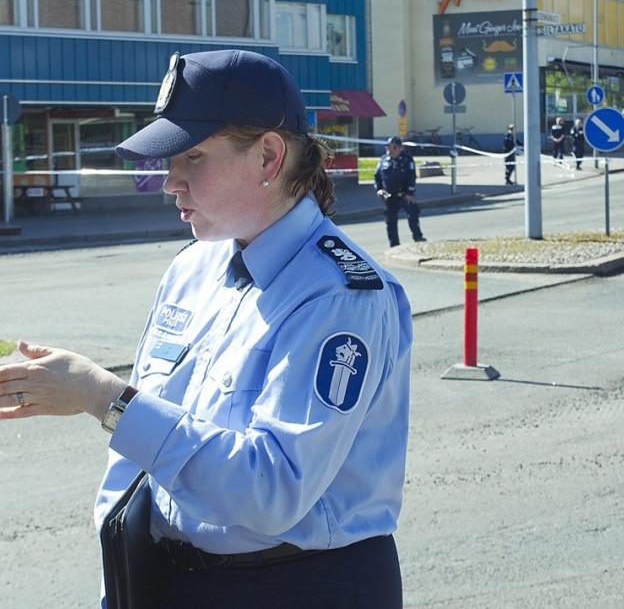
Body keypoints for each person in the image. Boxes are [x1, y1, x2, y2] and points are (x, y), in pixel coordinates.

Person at [0, 49, 412, 609]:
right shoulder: (192, 268)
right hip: (173, 579)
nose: (170, 181)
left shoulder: (338, 294)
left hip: (301, 585)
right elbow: (139, 459)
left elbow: (271, 491)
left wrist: (103, 397)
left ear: (269, 157)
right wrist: (117, 585)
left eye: (192, 157)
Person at [374, 136, 426, 247]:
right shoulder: (383, 160)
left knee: (413, 214)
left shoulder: (407, 160)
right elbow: (377, 176)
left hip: (404, 195)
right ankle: (394, 246)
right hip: (389, 197)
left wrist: (410, 193)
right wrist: (379, 189)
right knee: (390, 222)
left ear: (397, 148)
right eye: (387, 146)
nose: (387, 148)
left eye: (390, 146)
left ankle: (418, 238)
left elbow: (412, 177)